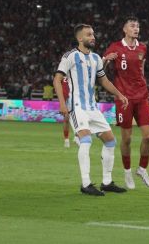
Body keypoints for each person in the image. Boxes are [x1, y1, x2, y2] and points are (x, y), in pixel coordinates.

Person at [54, 24, 129, 196]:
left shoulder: (95, 58)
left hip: (92, 107)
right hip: (77, 106)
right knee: (86, 140)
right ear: (80, 38)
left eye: (93, 34)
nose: (93, 37)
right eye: (89, 35)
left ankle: (107, 182)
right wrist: (62, 104)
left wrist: (119, 94)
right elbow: (57, 80)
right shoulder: (70, 56)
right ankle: (86, 183)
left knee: (110, 140)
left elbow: (104, 81)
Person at [103, 16, 149, 189]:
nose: (136, 28)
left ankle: (142, 169)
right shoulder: (115, 47)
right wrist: (105, 60)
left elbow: (142, 68)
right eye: (132, 26)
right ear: (124, 29)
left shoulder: (142, 47)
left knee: (148, 136)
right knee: (127, 139)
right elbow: (99, 70)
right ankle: (127, 172)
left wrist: (144, 83)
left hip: (141, 96)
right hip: (124, 98)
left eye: (138, 26)